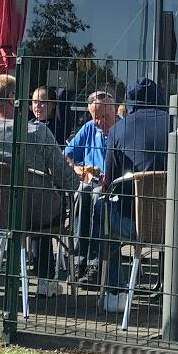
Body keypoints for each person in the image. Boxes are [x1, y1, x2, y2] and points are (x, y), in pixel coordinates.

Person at [0, 73, 79, 296]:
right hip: (32, 216)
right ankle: (45, 281)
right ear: (12, 98)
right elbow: (69, 180)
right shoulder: (37, 132)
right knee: (47, 203)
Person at [95, 77, 169, 314]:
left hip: (134, 223)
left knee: (101, 206)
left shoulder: (118, 129)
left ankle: (115, 291)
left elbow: (109, 183)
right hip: (177, 224)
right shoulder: (177, 124)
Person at [63, 91, 120, 279]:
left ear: (113, 109)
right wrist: (77, 169)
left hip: (115, 188)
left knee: (97, 196)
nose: (99, 122)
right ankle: (79, 260)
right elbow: (66, 156)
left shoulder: (123, 129)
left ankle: (95, 262)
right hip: (90, 182)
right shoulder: (89, 128)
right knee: (82, 192)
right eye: (95, 117)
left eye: (103, 117)